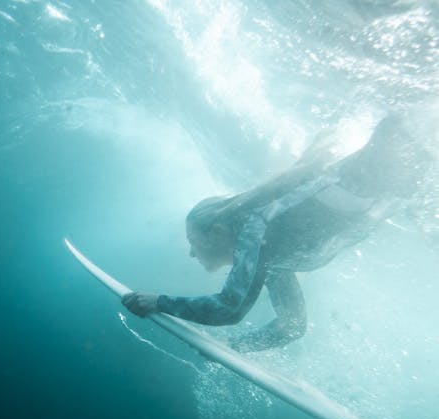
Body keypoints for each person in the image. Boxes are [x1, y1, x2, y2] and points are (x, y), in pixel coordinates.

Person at [122, 114, 433, 352]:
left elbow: (228, 309)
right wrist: (239, 348)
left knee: (415, 128)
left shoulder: (253, 229)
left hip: (368, 178)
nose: (191, 253)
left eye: (193, 241)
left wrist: (158, 302)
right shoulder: (274, 262)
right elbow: (293, 326)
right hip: (388, 193)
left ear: (216, 231)